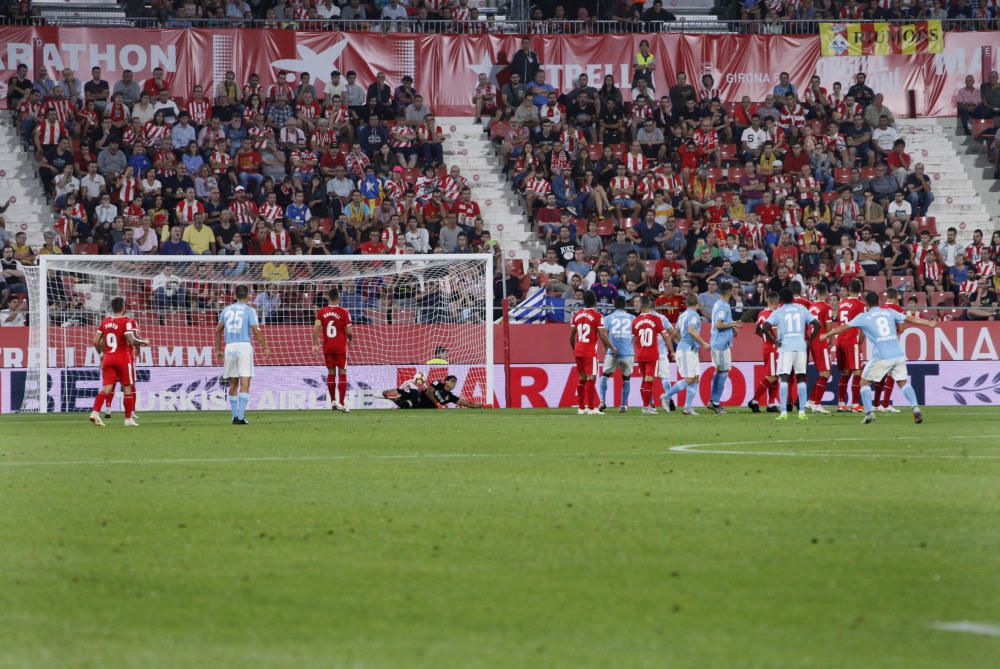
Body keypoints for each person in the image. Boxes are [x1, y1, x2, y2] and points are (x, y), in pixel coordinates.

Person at [822, 291, 936, 424]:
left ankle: (869, 413)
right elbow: (908, 318)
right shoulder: (889, 311)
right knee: (903, 382)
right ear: (878, 302)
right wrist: (928, 323)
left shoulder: (864, 316)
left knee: (864, 382)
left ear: (866, 303)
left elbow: (843, 327)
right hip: (898, 354)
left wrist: (827, 335)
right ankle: (915, 408)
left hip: (882, 355)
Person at [89, 296, 149, 428]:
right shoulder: (126, 321)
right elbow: (132, 340)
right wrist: (143, 342)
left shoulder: (104, 321)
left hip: (108, 358)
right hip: (123, 358)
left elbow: (95, 341)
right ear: (124, 307)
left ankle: (95, 412)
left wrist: (101, 354)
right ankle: (128, 419)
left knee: (106, 389)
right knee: (127, 387)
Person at [214, 285, 269, 425]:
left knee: (233, 382)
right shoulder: (250, 310)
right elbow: (256, 331)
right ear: (248, 295)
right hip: (244, 346)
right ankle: (240, 416)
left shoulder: (226, 310)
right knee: (245, 380)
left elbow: (218, 330)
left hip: (230, 347)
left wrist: (218, 349)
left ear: (235, 295)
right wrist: (265, 347)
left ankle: (234, 416)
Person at [763, 288, 819, 421]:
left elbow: (765, 326)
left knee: (784, 378)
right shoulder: (801, 309)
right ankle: (801, 412)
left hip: (786, 346)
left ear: (781, 299)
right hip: (800, 346)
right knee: (801, 378)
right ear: (793, 298)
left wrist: (774, 340)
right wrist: (809, 340)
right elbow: (817, 324)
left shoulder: (779, 311)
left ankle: (783, 412)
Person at [661, 293, 708, 416]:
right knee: (689, 378)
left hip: (688, 349)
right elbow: (691, 331)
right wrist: (703, 343)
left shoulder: (682, 316)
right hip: (687, 351)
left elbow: (676, 332)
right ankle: (666, 396)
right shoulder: (694, 315)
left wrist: (680, 343)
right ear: (697, 304)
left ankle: (687, 407)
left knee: (696, 378)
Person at [570, 290, 613, 415]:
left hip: (578, 349)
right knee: (591, 378)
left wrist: (574, 348)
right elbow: (602, 335)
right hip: (589, 351)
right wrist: (611, 347)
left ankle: (581, 408)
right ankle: (591, 407)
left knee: (582, 377)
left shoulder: (576, 315)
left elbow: (571, 335)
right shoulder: (597, 316)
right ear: (594, 300)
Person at [312, 288, 353, 413]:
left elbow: (315, 329)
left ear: (328, 298)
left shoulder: (321, 311)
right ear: (339, 298)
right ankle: (341, 402)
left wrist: (314, 344)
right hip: (340, 347)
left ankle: (333, 401)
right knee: (342, 372)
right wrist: (349, 339)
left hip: (327, 347)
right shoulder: (344, 312)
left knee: (330, 372)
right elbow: (349, 332)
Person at [632, 296, 673, 415]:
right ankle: (646, 407)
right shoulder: (656, 319)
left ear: (641, 305)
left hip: (640, 354)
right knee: (649, 380)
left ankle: (647, 405)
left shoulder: (635, 320)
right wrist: (672, 350)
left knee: (644, 380)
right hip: (652, 354)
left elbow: (635, 339)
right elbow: (666, 336)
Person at [707, 281, 743, 414]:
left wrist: (732, 328)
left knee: (719, 371)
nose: (735, 291)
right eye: (733, 289)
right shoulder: (723, 306)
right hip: (721, 344)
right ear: (728, 291)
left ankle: (712, 400)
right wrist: (734, 324)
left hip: (718, 342)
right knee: (724, 372)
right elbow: (719, 325)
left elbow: (722, 324)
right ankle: (715, 403)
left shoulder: (719, 304)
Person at [599, 296, 635, 413]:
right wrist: (630, 344)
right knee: (626, 378)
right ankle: (624, 405)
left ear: (614, 304)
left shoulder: (608, 318)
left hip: (612, 353)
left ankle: (602, 401)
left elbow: (604, 335)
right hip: (628, 353)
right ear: (625, 305)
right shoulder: (632, 318)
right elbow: (635, 335)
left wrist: (608, 348)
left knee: (604, 376)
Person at [835, 279, 866, 412]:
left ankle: (841, 403)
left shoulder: (842, 303)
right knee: (857, 371)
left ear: (849, 289)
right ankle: (855, 404)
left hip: (840, 339)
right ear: (860, 290)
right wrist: (861, 340)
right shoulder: (860, 304)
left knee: (845, 372)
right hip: (852, 339)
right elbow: (863, 325)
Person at [747, 291, 780, 413]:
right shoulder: (774, 314)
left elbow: (757, 330)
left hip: (766, 346)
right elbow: (776, 334)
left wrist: (765, 338)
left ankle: (771, 404)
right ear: (777, 301)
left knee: (776, 376)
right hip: (773, 348)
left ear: (767, 300)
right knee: (771, 377)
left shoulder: (762, 313)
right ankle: (754, 401)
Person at [805, 284, 834, 413]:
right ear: (826, 293)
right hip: (821, 342)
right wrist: (831, 341)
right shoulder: (826, 307)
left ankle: (811, 401)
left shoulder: (811, 306)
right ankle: (817, 404)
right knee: (826, 373)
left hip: (812, 342)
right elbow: (828, 328)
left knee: (822, 373)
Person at [382, 375, 483, 409]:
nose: (454, 384)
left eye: (455, 382)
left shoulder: (450, 397)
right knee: (391, 392)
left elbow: (463, 402)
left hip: (419, 405)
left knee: (407, 404)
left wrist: (476, 405)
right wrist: (437, 403)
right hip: (417, 395)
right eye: (452, 381)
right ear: (446, 381)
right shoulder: (438, 383)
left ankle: (394, 398)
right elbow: (428, 392)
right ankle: (384, 394)